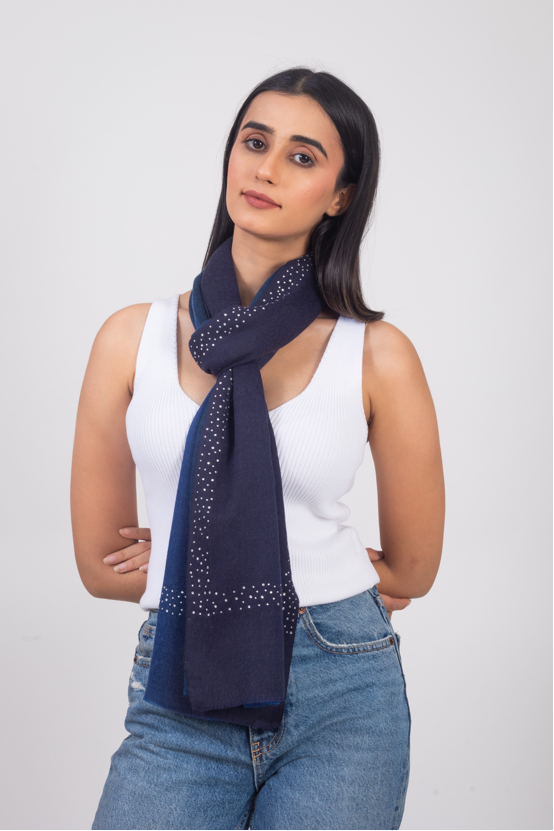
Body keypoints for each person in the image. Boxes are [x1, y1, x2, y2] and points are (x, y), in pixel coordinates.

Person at [71, 67, 445, 831]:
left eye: (303, 156)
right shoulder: (130, 339)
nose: (267, 168)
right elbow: (101, 563)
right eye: (254, 141)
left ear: (340, 195)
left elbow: (412, 570)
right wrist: (211, 548)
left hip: (342, 689)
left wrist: (257, 552)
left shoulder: (379, 355)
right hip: (180, 691)